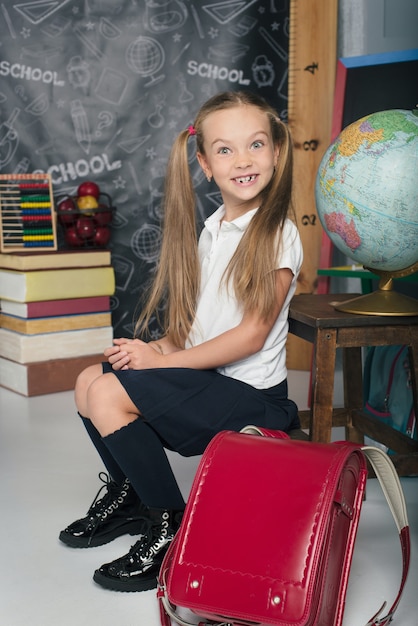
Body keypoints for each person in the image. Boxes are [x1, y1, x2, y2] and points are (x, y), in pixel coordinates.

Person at [59, 90, 303, 593]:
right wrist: (156, 349)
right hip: (209, 381)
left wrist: (159, 365)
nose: (243, 160)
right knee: (89, 380)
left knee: (109, 393)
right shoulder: (213, 229)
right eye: (226, 150)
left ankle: (168, 526)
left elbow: (251, 334)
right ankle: (130, 495)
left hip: (253, 401)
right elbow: (198, 329)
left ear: (276, 152)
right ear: (205, 164)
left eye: (256, 144)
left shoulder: (276, 232)